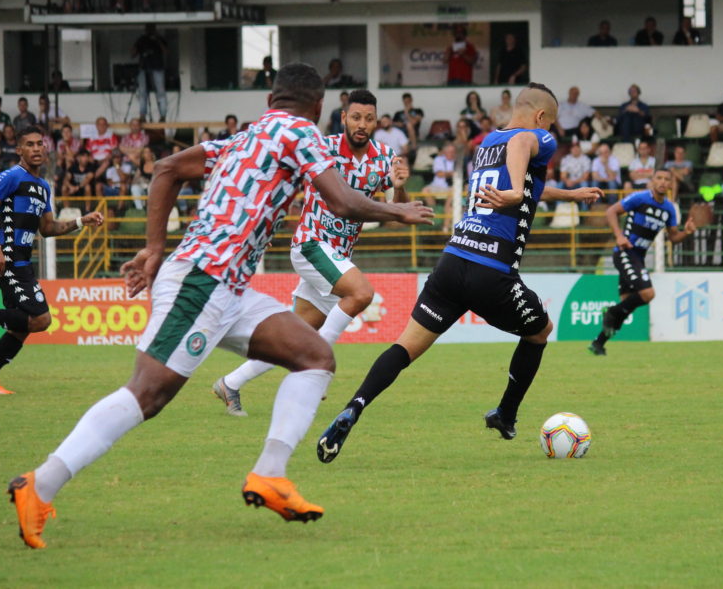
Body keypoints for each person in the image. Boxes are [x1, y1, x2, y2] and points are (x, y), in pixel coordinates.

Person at [0, 63, 432, 549]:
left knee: (314, 356)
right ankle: (39, 484)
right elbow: (342, 201)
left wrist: (156, 248)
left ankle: (270, 474)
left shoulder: (247, 136)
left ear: (271, 99)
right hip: (204, 279)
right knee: (148, 394)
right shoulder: (301, 131)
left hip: (229, 285)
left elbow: (167, 169)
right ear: (317, 107)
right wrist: (398, 208)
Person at [314, 83, 603, 462]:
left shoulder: (487, 144)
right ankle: (506, 414)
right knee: (540, 332)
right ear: (540, 118)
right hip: (491, 270)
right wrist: (516, 191)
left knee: (403, 348)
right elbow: (521, 161)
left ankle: (355, 406)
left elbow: (526, 185)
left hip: (451, 263)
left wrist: (569, 195)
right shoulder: (536, 138)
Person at [212, 89, 410, 416]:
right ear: (343, 117)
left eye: (369, 119)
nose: (362, 124)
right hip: (311, 244)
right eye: (356, 117)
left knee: (298, 336)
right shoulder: (324, 148)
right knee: (361, 293)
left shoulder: (384, 157)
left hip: (338, 256)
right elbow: (284, 183)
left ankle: (230, 384)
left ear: (377, 122)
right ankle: (315, 373)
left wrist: (400, 185)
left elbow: (399, 215)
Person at [0, 127, 103, 395]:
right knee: (41, 319)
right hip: (8, 258)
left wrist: (82, 220)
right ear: (20, 150)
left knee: (21, 326)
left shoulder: (43, 187)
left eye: (40, 144)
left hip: (23, 260)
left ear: (45, 150)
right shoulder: (12, 176)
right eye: (29, 144)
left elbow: (48, 229)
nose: (36, 148)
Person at [589, 168, 695, 355]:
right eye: (659, 178)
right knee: (647, 294)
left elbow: (673, 237)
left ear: (671, 184)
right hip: (625, 252)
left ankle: (598, 343)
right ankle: (611, 312)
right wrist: (619, 236)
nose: (662, 182)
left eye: (666, 179)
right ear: (653, 181)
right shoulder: (639, 198)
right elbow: (612, 212)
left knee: (626, 305)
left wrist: (686, 232)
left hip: (639, 257)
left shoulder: (669, 208)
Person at [131, 24, 168, 121]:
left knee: (160, 92)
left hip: (157, 68)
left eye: (151, 29)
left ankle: (163, 115)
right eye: (148, 29)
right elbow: (133, 54)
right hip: (143, 68)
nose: (150, 31)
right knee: (143, 93)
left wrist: (157, 40)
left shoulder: (159, 38)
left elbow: (166, 51)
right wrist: (137, 47)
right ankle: (142, 115)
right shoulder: (142, 39)